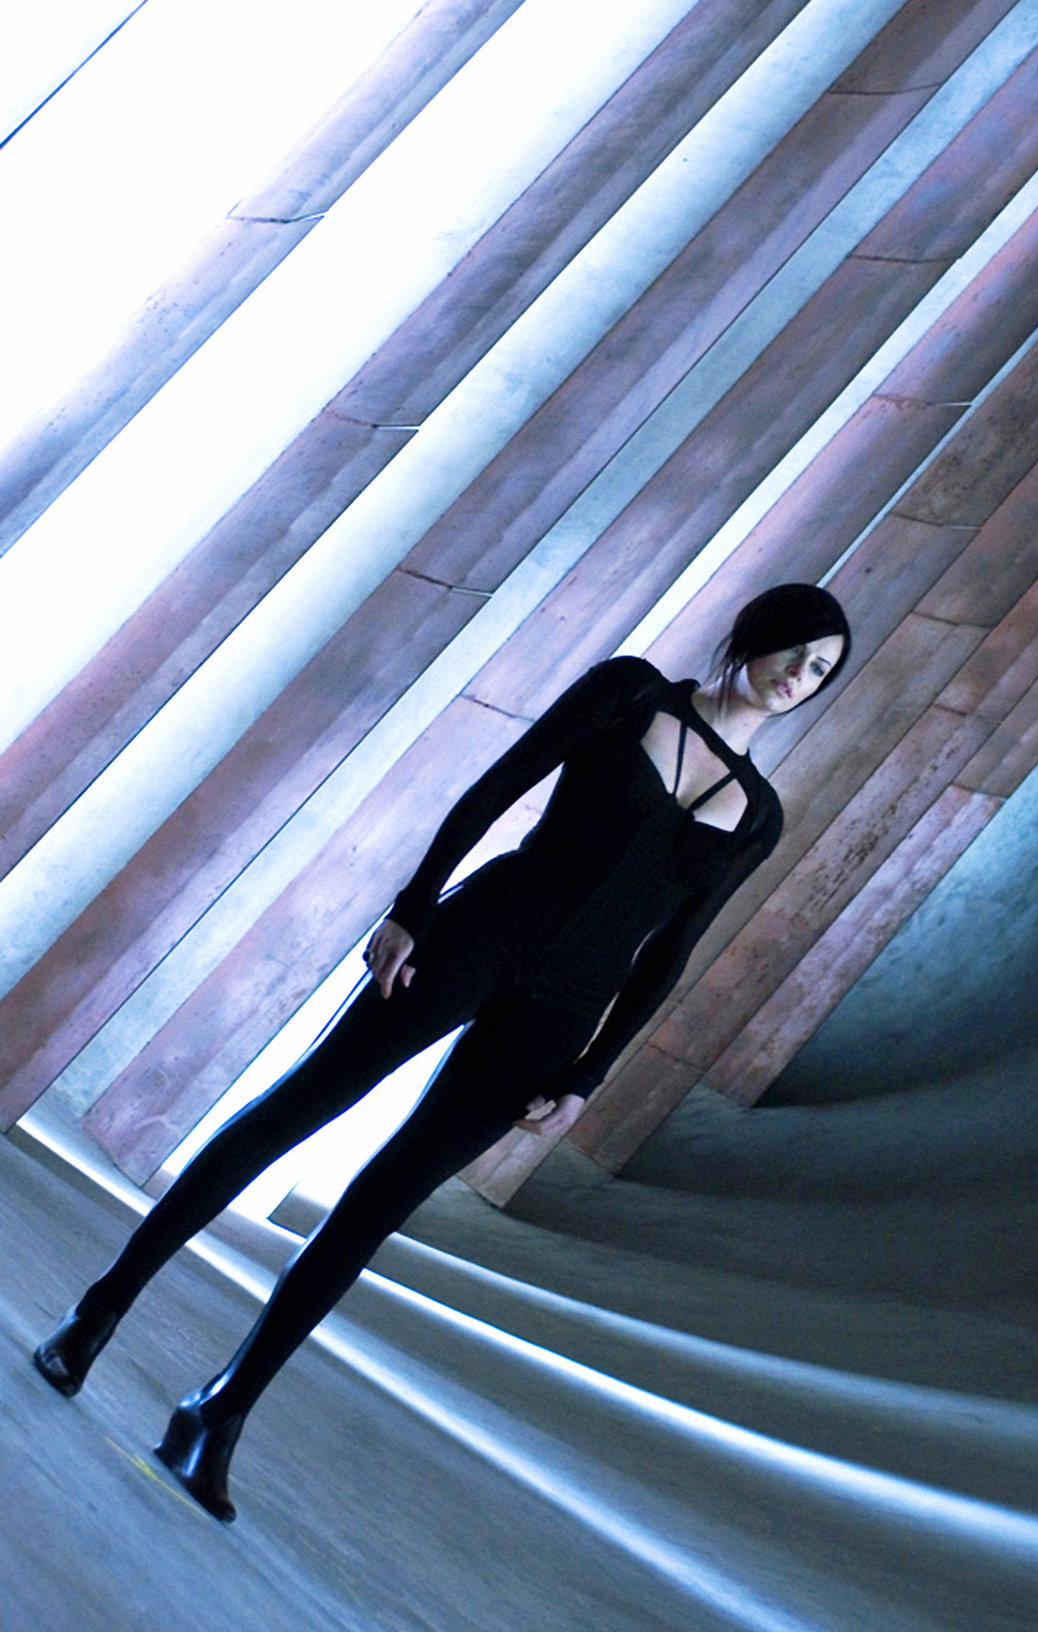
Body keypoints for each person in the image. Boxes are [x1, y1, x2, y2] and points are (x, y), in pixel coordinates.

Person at [33, 583, 851, 1522]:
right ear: (756, 635)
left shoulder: (759, 817)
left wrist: (589, 1073)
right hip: (478, 935)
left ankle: (219, 1414)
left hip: (559, 1014)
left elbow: (670, 951)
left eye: (820, 671)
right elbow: (496, 788)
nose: (799, 676)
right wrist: (414, 907)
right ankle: (97, 1313)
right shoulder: (629, 693)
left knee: (379, 1205)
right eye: (796, 650)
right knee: (294, 1112)